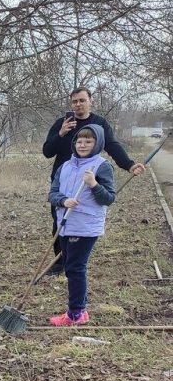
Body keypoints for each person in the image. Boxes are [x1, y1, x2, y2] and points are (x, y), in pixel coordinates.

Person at [42, 86, 143, 276]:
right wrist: (62, 133)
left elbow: (112, 145)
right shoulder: (61, 123)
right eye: (74, 101)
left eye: (82, 100)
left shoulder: (100, 123)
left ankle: (76, 258)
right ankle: (59, 261)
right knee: (59, 220)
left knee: (83, 217)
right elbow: (47, 151)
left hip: (88, 179)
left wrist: (129, 165)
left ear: (90, 101)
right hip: (62, 178)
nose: (78, 104)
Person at [47, 124, 115, 326]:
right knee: (71, 267)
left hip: (85, 226)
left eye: (88, 141)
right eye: (79, 140)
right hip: (65, 224)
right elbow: (52, 193)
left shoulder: (101, 166)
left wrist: (94, 184)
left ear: (98, 143)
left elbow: (109, 198)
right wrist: (63, 200)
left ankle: (76, 313)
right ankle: (80, 310)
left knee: (76, 268)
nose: (83, 144)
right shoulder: (65, 166)